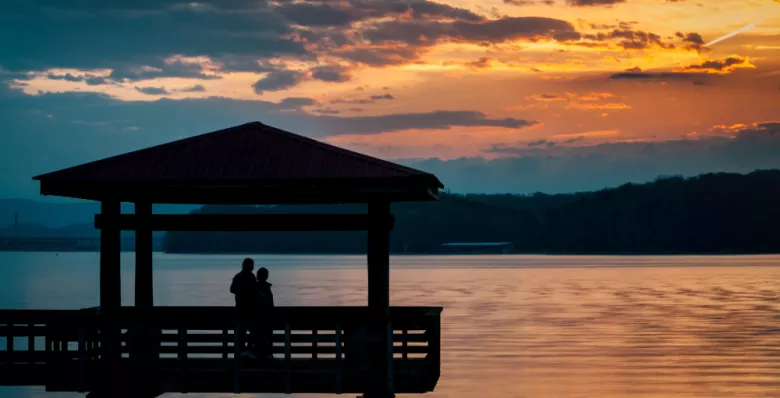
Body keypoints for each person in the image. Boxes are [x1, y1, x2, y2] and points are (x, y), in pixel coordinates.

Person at [230, 257, 257, 358]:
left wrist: (240, 291)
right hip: (249, 310)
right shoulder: (252, 277)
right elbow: (255, 291)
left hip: (240, 309)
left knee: (242, 331)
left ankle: (242, 351)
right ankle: (248, 350)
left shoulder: (238, 276)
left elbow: (232, 289)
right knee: (252, 330)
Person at [255, 267, 275, 358]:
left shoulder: (254, 288)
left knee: (258, 334)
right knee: (267, 333)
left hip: (257, 319)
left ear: (257, 276)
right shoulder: (266, 288)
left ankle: (259, 353)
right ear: (266, 276)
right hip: (267, 319)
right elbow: (270, 304)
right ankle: (268, 353)